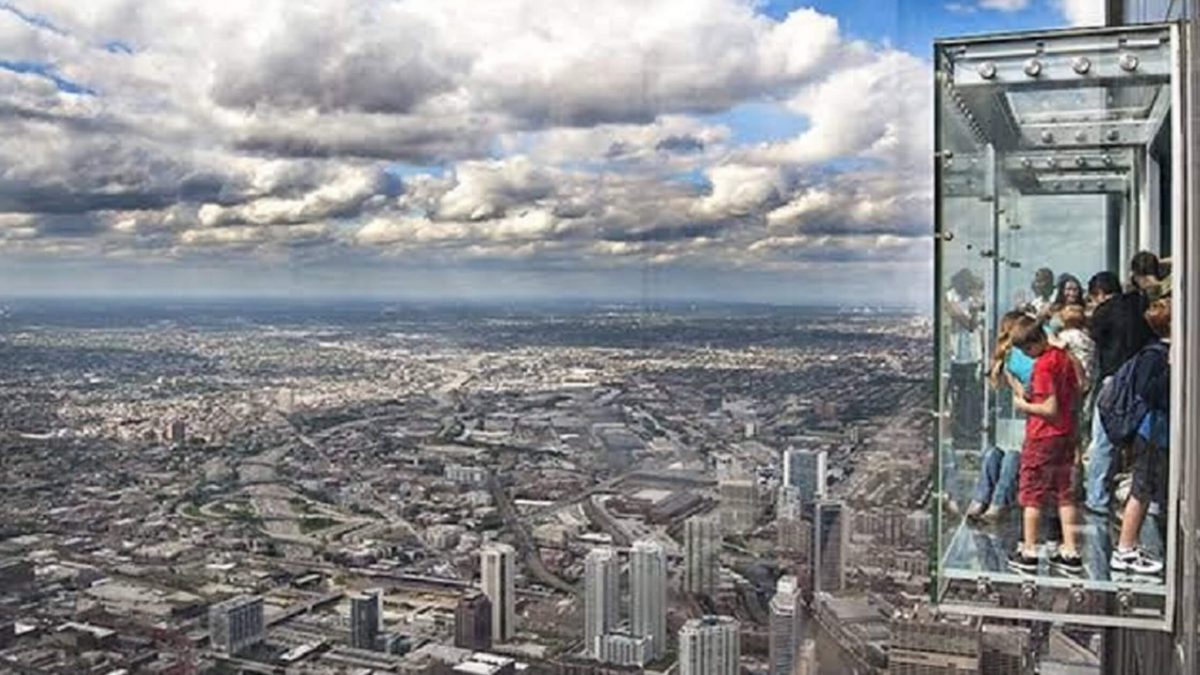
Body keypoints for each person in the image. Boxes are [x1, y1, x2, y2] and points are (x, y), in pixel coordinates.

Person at [1006, 315, 1083, 575]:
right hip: (1065, 434)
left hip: (1043, 436)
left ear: (1034, 342)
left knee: (1031, 494)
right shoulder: (1063, 359)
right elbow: (1078, 387)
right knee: (1064, 493)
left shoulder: (1043, 365)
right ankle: (1070, 551)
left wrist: (1023, 404)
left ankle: (1029, 551)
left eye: (1026, 349)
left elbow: (1049, 408)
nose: (1027, 355)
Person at [1083, 270, 1155, 514]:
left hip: (1113, 381)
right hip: (1142, 379)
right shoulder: (1140, 304)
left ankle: (1097, 498)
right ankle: (1139, 496)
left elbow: (1093, 348)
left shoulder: (1103, 312)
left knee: (1102, 441)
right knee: (1139, 440)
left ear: (1099, 294)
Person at [1110, 298, 1171, 575]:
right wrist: (1171, 370)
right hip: (1151, 431)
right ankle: (1124, 549)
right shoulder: (1156, 355)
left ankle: (1129, 544)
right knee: (1142, 488)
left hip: (1157, 431)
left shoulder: (1157, 353)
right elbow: (1149, 392)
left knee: (1146, 487)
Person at [965, 311, 1033, 520]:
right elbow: (996, 384)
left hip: (1029, 422)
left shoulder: (1034, 361)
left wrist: (1013, 378)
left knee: (1013, 457)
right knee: (992, 454)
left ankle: (999, 501)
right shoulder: (1006, 358)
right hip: (1009, 423)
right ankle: (982, 497)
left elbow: (1028, 393)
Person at [945, 268, 985, 449]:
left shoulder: (973, 298)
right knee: (957, 394)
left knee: (972, 395)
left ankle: (971, 431)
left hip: (972, 354)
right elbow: (967, 323)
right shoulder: (949, 296)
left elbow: (976, 323)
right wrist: (975, 310)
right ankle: (959, 431)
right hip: (956, 354)